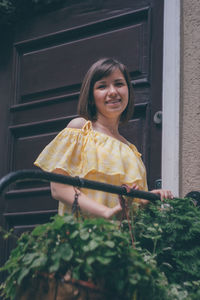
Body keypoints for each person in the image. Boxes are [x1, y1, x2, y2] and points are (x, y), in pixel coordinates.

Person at [34, 58, 173, 218]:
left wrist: (149, 198)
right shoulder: (81, 129)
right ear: (91, 97)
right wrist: (106, 213)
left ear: (128, 90)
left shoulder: (131, 151)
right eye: (102, 86)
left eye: (119, 84)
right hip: (87, 237)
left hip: (122, 241)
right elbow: (59, 188)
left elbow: (131, 208)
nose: (113, 91)